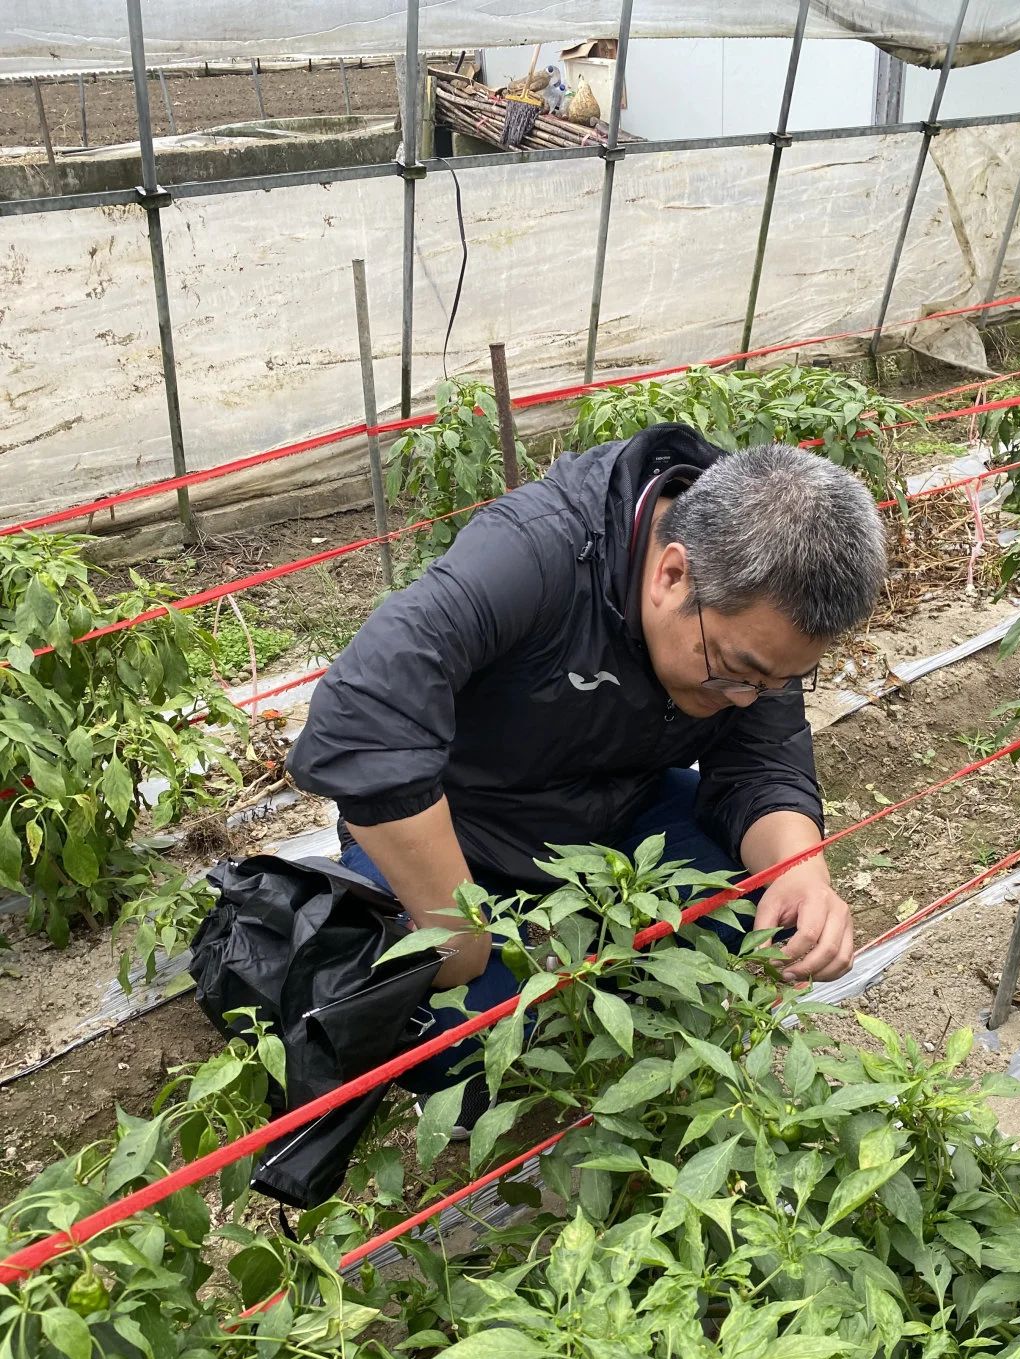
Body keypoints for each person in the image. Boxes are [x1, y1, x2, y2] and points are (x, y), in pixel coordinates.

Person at [288, 424, 886, 1098]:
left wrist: (802, 873)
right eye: (734, 670)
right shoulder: (536, 552)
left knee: (767, 928)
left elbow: (764, 763)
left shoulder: (755, 612)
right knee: (461, 1048)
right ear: (671, 574)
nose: (747, 697)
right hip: (462, 831)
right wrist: (458, 931)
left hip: (620, 813)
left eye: (776, 682)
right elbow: (361, 713)